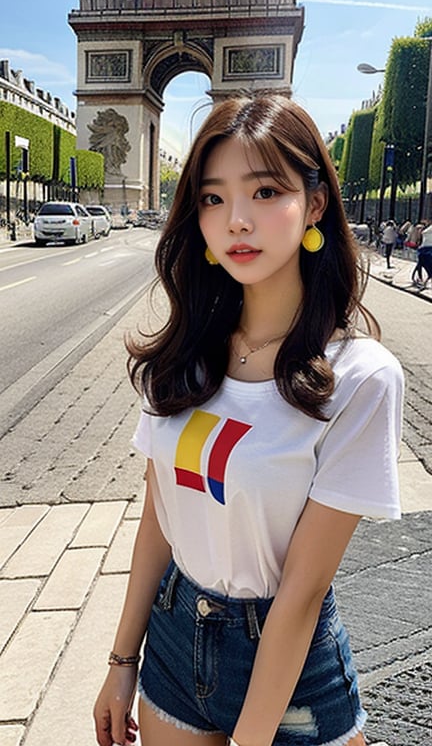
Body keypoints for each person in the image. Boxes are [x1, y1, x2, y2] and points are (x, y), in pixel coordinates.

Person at [93, 94, 404, 746]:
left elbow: (303, 588)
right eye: (212, 198)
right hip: (175, 641)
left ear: (315, 203)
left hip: (290, 669)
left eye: (264, 191)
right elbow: (159, 518)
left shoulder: (360, 378)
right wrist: (122, 662)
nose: (236, 220)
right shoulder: (182, 356)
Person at [412, 221, 432, 287]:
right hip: (425, 247)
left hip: (426, 248)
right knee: (422, 263)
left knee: (422, 262)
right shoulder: (426, 229)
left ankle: (422, 279)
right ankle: (422, 279)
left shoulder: (426, 229)